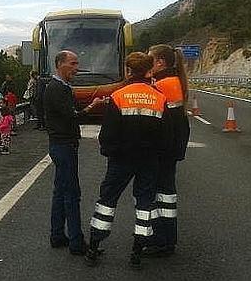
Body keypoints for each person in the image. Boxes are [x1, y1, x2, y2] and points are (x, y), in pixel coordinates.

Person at [84, 52, 167, 269]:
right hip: (148, 160)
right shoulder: (159, 98)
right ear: (148, 70)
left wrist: (111, 152)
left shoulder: (119, 96)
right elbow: (166, 136)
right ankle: (137, 252)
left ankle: (93, 248)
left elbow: (108, 134)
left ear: (128, 71)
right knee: (144, 204)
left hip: (121, 159)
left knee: (107, 201)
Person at [44, 50, 104, 255]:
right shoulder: (56, 89)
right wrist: (91, 108)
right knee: (72, 193)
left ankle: (57, 235)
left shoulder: (63, 88)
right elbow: (73, 116)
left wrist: (90, 107)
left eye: (77, 64)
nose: (76, 68)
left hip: (62, 144)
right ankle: (77, 243)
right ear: (60, 64)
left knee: (61, 192)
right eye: (73, 63)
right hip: (63, 145)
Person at [143, 44, 190, 257]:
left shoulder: (163, 84)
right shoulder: (173, 81)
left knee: (157, 194)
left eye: (149, 59)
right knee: (167, 195)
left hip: (162, 151)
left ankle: (159, 240)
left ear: (160, 62)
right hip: (170, 150)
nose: (146, 62)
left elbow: (158, 122)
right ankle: (167, 240)